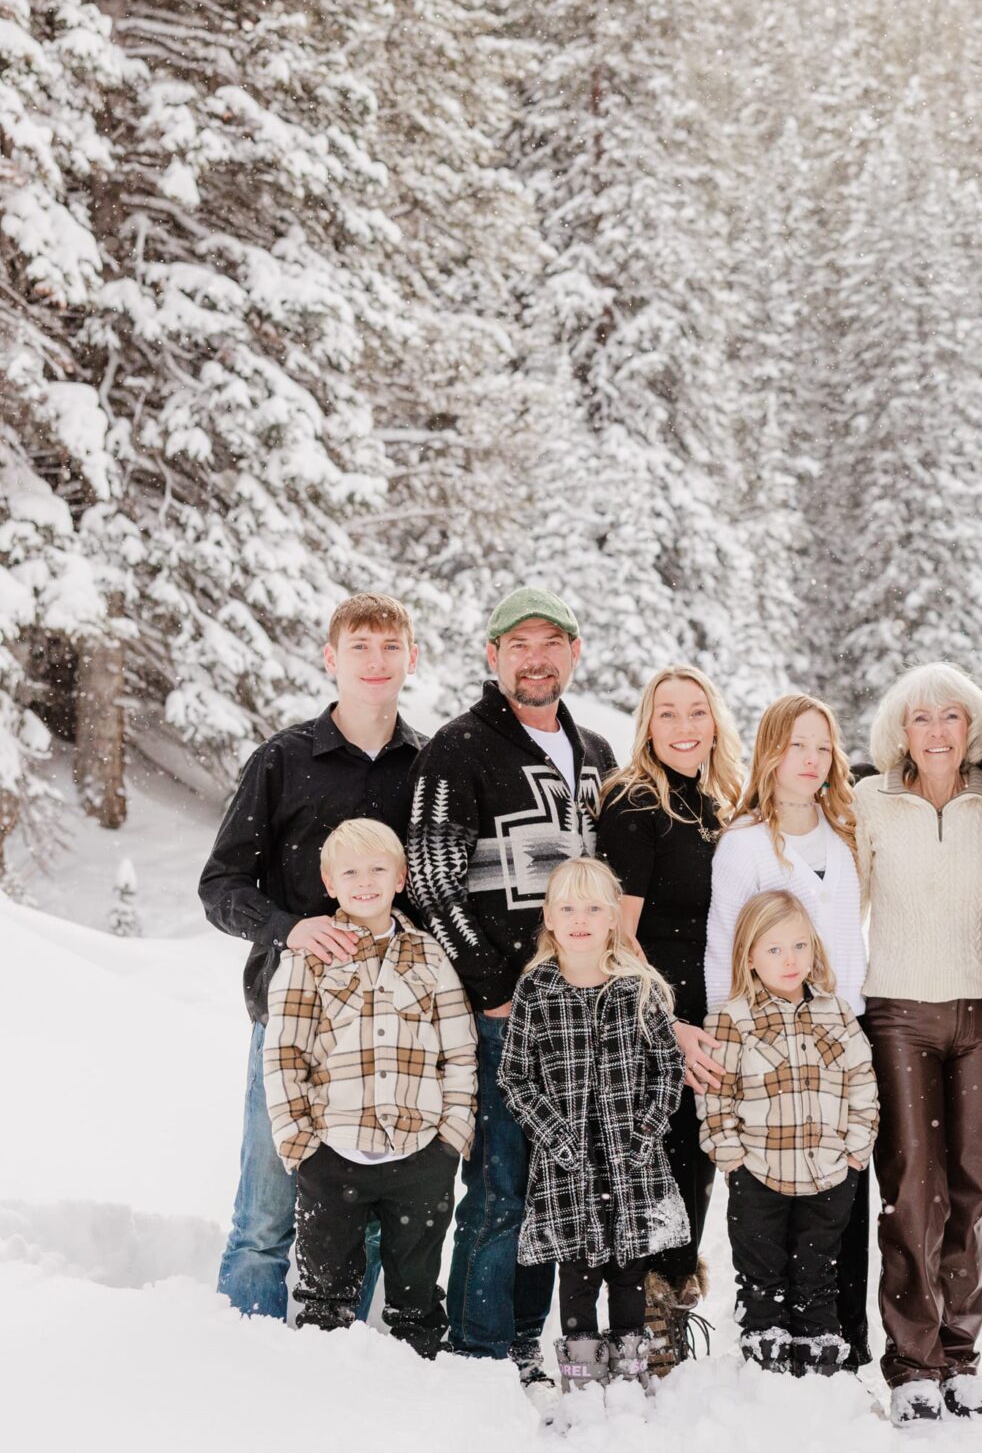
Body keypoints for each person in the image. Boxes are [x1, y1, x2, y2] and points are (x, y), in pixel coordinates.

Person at [404, 584, 617, 1372]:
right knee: (499, 1190)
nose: (536, 658)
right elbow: (431, 879)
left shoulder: (594, 753)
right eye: (518, 645)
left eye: (551, 643)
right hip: (503, 1011)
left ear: (574, 652)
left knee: (557, 1185)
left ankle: (526, 1338)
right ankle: (480, 1350)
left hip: (581, 1008)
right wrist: (494, 985)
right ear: (493, 657)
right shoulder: (459, 749)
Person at [201, 593, 425, 1320]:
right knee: (266, 1211)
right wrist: (290, 927)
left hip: (385, 1036)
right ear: (331, 659)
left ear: (411, 660)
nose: (375, 662)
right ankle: (242, 1353)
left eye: (390, 647)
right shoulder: (284, 760)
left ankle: (339, 1371)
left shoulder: (429, 768)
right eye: (359, 647)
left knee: (356, 1217)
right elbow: (220, 885)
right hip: (290, 1020)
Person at [854, 663, 982, 1424]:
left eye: (952, 717)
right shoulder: (869, 802)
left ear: (972, 725)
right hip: (898, 1012)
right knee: (915, 1185)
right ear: (900, 731)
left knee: (973, 1184)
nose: (939, 732)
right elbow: (835, 897)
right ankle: (913, 1361)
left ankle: (960, 1354)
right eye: (922, 719)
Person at [702, 691, 874, 1369]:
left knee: (840, 1207)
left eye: (822, 747)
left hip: (842, 1031)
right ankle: (766, 1334)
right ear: (769, 753)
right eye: (796, 745)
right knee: (768, 1215)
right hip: (764, 1048)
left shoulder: (847, 836)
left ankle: (839, 1340)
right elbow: (724, 955)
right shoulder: (743, 845)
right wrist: (723, 1059)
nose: (810, 760)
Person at [263, 819, 475, 1357]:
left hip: (419, 1155)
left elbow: (458, 1050)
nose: (365, 881)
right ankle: (328, 1401)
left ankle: (419, 1387)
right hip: (332, 1155)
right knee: (325, 1295)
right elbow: (285, 1053)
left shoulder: (429, 956)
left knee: (418, 1295)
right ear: (329, 882)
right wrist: (299, 1145)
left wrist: (452, 1136)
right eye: (350, 872)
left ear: (401, 877)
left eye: (378, 869)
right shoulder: (307, 958)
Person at [501, 858, 689, 1426]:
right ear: (549, 919)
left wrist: (644, 1132)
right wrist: (555, 1136)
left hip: (630, 1161)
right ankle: (580, 1382)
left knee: (629, 1269)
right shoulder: (536, 989)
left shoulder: (638, 989)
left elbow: (667, 1069)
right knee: (577, 1272)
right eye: (567, 908)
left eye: (592, 908)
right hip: (567, 1164)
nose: (579, 920)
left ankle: (630, 1376)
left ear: (613, 919)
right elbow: (516, 1076)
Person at [596, 664, 745, 1373]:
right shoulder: (633, 803)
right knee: (654, 1171)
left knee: (697, 1168)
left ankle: (673, 1314)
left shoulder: (724, 804)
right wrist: (667, 1027)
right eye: (668, 715)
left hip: (715, 1018)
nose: (685, 727)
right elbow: (617, 938)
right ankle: (646, 1328)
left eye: (696, 712)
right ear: (648, 728)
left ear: (715, 720)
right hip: (655, 1018)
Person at [699, 889, 881, 1378]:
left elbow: (862, 1082)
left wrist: (855, 1152)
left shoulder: (836, 1013)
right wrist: (730, 1156)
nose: (790, 960)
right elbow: (717, 1095)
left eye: (800, 946)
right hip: (759, 1172)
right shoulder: (732, 1019)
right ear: (750, 957)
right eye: (774, 949)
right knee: (762, 1271)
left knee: (818, 1270)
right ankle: (765, 1361)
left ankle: (819, 1362)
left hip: (828, 1174)